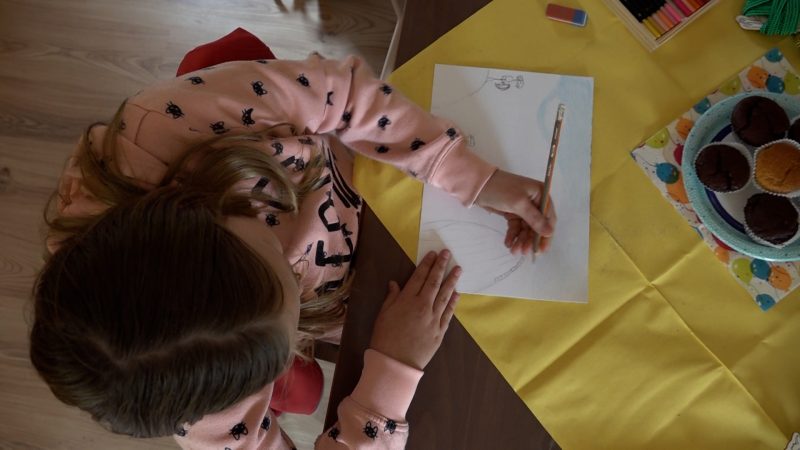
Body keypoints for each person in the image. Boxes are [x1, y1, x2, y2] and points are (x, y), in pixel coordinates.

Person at [29, 30, 556, 449]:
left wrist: (468, 174)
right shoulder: (201, 408)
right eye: (289, 283)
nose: (290, 256)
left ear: (193, 211)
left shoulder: (161, 129)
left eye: (276, 258)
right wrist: (390, 374)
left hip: (362, 185)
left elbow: (338, 92)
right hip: (358, 301)